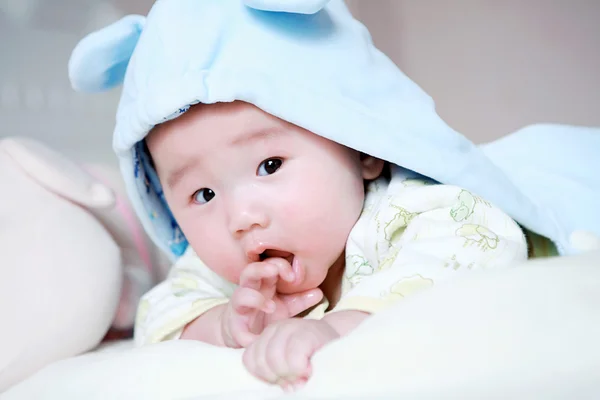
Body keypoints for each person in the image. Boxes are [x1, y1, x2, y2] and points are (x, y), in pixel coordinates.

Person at [67, 0, 581, 392]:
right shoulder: (223, 277)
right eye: (203, 194)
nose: (241, 218)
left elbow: (478, 247)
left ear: (363, 149)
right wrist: (225, 324)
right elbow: (159, 316)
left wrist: (341, 327)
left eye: (270, 166)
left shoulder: (416, 208)